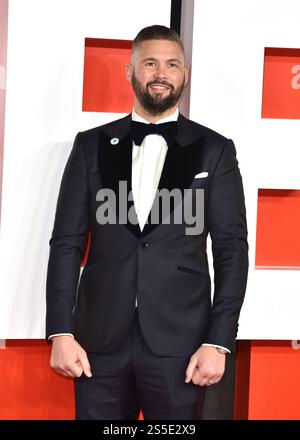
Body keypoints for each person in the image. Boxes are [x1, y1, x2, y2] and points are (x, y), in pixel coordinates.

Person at [46, 24, 248, 420]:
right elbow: (66, 242)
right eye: (150, 63)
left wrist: (218, 341)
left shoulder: (215, 150)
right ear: (130, 72)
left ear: (185, 74)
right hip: (98, 345)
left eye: (172, 64)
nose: (161, 73)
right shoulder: (90, 145)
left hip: (183, 347)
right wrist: (61, 331)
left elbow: (231, 251)